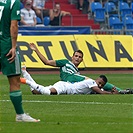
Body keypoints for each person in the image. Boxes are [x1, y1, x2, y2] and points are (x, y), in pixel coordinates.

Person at [0, 0, 40, 122]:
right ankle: (20, 115)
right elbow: (14, 25)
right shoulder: (13, 2)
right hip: (5, 44)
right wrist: (13, 46)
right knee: (14, 81)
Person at [28, 42, 123, 93]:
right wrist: (36, 50)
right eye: (76, 56)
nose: (77, 58)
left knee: (94, 84)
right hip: (65, 83)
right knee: (93, 82)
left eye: (80, 57)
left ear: (82, 60)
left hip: (69, 85)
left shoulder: (77, 73)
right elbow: (46, 62)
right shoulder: (65, 62)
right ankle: (120, 90)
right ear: (72, 57)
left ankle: (114, 90)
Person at [20, 74, 119, 95]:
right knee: (48, 93)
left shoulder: (95, 87)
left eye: (102, 85)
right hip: (65, 87)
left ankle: (25, 73)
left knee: (35, 92)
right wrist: (111, 94)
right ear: (97, 80)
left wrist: (111, 91)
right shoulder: (92, 82)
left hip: (66, 87)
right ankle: (26, 81)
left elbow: (101, 91)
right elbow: (100, 92)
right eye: (100, 83)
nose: (100, 85)